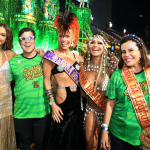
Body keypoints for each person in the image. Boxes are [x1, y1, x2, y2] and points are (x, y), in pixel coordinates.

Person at [101, 34, 150, 150]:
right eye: (123, 52)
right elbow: (110, 104)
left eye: (131, 50)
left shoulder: (148, 74)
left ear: (141, 52)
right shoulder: (117, 75)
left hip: (143, 134)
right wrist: (104, 130)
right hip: (119, 133)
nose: (126, 55)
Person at [43, 9, 84, 150]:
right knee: (57, 138)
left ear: (73, 37)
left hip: (78, 103)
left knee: (75, 138)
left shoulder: (78, 57)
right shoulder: (50, 56)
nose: (64, 39)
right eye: (61, 36)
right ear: (58, 37)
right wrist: (52, 104)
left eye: (67, 36)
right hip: (61, 101)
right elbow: (46, 81)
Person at [9, 27, 50, 150]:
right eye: (23, 38)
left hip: (41, 112)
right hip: (21, 113)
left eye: (30, 38)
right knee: (24, 146)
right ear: (19, 41)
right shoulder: (13, 62)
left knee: (41, 146)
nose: (27, 41)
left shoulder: (45, 59)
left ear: (35, 40)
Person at [79, 34, 116, 150]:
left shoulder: (111, 67)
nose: (95, 45)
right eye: (93, 42)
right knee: (90, 145)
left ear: (104, 47)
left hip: (108, 112)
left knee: (106, 146)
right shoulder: (82, 66)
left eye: (99, 43)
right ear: (89, 45)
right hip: (91, 110)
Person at [0, 23, 17, 150]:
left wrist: (39, 52)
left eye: (3, 34)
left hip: (5, 101)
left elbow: (26, 62)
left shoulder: (10, 54)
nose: (0, 37)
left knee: (4, 134)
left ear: (7, 38)